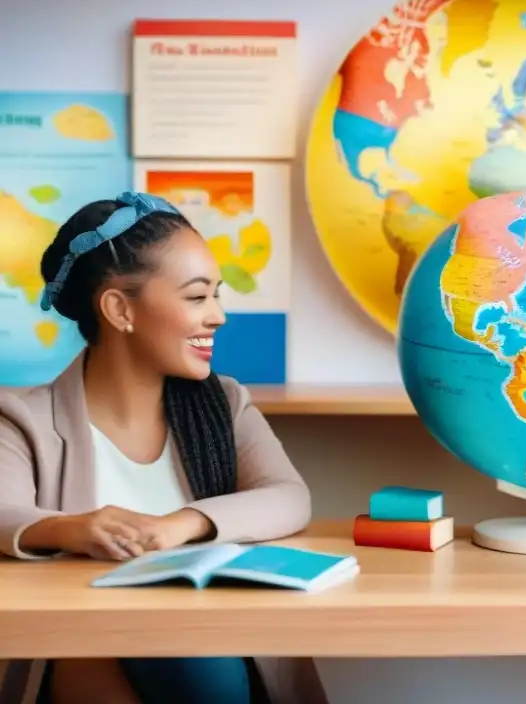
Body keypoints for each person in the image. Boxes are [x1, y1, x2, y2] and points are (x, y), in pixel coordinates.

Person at [0, 192, 324, 704]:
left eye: (217, 295)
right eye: (197, 297)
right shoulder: (23, 419)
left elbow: (288, 495)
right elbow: (3, 512)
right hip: (89, 659)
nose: (217, 316)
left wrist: (180, 524)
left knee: (190, 649)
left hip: (217, 651)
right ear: (119, 309)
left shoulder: (225, 403)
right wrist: (73, 528)